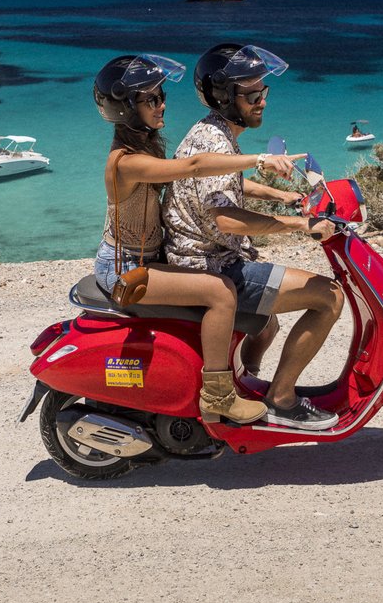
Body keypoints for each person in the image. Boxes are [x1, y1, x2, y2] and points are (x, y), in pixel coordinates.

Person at [91, 53, 303, 425]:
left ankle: (241, 377)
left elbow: (197, 182)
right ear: (125, 109)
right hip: (123, 268)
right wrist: (260, 159)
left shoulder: (148, 148)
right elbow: (193, 166)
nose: (162, 106)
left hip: (148, 257)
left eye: (162, 97)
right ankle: (218, 396)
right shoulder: (125, 162)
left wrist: (278, 196)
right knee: (220, 292)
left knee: (258, 314)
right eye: (152, 99)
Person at [164, 43, 345, 432]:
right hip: (212, 267)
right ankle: (280, 399)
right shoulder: (215, 141)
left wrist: (280, 195)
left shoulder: (213, 131)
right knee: (329, 297)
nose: (262, 101)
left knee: (268, 324)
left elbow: (224, 185)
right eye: (252, 95)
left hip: (205, 258)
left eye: (264, 91)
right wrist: (298, 225)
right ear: (224, 97)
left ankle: (249, 380)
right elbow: (226, 219)